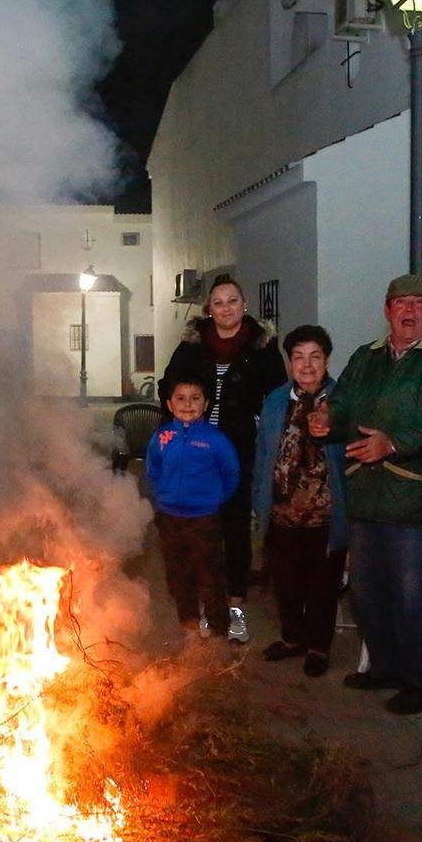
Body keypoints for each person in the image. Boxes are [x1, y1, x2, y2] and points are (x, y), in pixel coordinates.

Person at [311, 274, 422, 714]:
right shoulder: (366, 357)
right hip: (366, 495)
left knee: (414, 595)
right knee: (367, 592)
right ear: (387, 309)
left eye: (420, 303)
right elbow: (342, 407)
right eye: (402, 302)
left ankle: (420, 682)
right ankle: (382, 666)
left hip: (414, 498)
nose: (410, 310)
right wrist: (327, 421)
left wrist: (392, 443)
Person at [159, 274, 286, 643]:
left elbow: (277, 398)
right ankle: (202, 607)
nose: (226, 308)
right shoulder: (192, 345)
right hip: (194, 455)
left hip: (237, 452)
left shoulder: (262, 346)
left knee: (234, 529)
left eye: (232, 301)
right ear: (208, 309)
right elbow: (169, 388)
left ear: (244, 306)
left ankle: (233, 608)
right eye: (218, 302)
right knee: (197, 532)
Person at [252, 325, 350, 677]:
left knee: (322, 586)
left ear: (326, 360)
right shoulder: (277, 400)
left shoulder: (343, 401)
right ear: (289, 362)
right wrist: (259, 499)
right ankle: (292, 638)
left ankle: (318, 647)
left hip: (325, 514)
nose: (307, 365)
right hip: (282, 511)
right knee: (286, 582)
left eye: (315, 357)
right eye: (298, 357)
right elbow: (265, 452)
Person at [145, 375, 241, 638]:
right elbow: (152, 468)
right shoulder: (162, 437)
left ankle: (219, 629)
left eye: (195, 398)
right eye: (180, 398)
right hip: (169, 518)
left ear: (206, 404)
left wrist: (213, 499)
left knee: (210, 576)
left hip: (204, 519)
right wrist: (163, 495)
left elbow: (231, 473)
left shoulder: (215, 439)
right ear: (169, 403)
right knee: (179, 574)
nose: (188, 404)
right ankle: (188, 625)